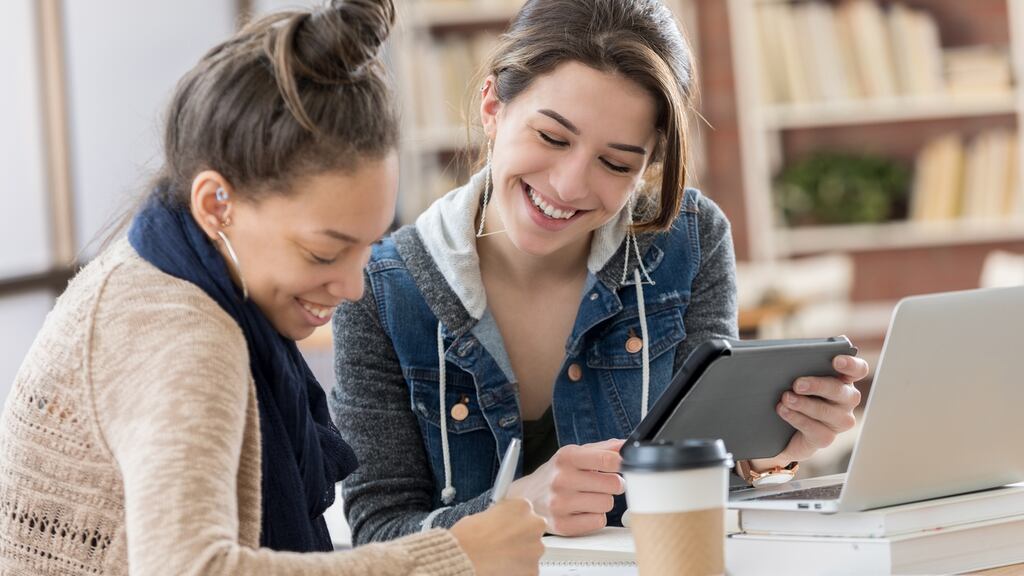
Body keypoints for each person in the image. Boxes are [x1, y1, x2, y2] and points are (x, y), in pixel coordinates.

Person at [0, 1, 546, 574]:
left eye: (365, 246)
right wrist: (451, 556)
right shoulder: (182, 334)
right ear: (217, 204)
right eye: (324, 252)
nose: (355, 287)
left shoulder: (168, 264)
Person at [331, 0, 868, 544]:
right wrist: (517, 507)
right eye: (552, 137)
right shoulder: (376, 290)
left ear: (648, 166)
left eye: (615, 163)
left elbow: (705, 488)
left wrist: (763, 455)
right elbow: (379, 535)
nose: (568, 186)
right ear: (492, 106)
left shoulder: (690, 240)